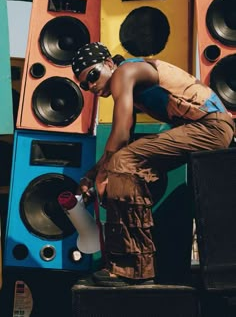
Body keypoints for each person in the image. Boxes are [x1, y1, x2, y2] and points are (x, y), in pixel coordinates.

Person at [71, 41, 235, 287]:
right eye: (84, 85)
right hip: (207, 128)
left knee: (123, 163)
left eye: (93, 76)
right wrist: (94, 174)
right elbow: (123, 143)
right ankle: (147, 259)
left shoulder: (124, 73)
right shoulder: (130, 82)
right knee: (130, 167)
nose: (91, 86)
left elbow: (122, 134)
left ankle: (132, 266)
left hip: (211, 128)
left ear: (108, 63)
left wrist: (102, 175)